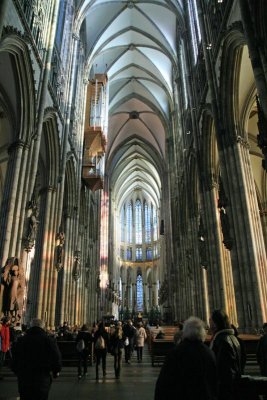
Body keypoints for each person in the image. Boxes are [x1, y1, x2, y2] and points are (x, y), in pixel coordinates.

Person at [154, 316, 217, 400]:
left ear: (185, 332)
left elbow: (163, 383)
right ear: (202, 333)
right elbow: (215, 381)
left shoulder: (176, 353)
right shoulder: (209, 353)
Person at [11, 318, 62, 400]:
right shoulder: (49, 340)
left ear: (30, 326)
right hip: (42, 377)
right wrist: (56, 371)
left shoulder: (21, 340)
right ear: (43, 327)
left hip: (24, 377)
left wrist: (17, 371)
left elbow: (14, 358)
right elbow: (56, 357)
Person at [210, 309, 242, 400]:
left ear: (216, 324)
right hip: (233, 387)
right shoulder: (233, 338)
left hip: (225, 391)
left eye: (210, 322)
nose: (210, 326)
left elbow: (225, 371)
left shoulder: (222, 341)